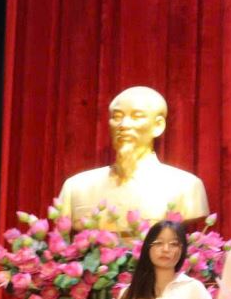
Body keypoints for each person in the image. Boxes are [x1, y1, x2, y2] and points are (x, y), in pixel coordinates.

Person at [56, 86, 208, 226]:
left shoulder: (186, 187)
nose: (123, 125)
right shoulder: (76, 187)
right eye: (117, 117)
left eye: (136, 117)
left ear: (158, 126)